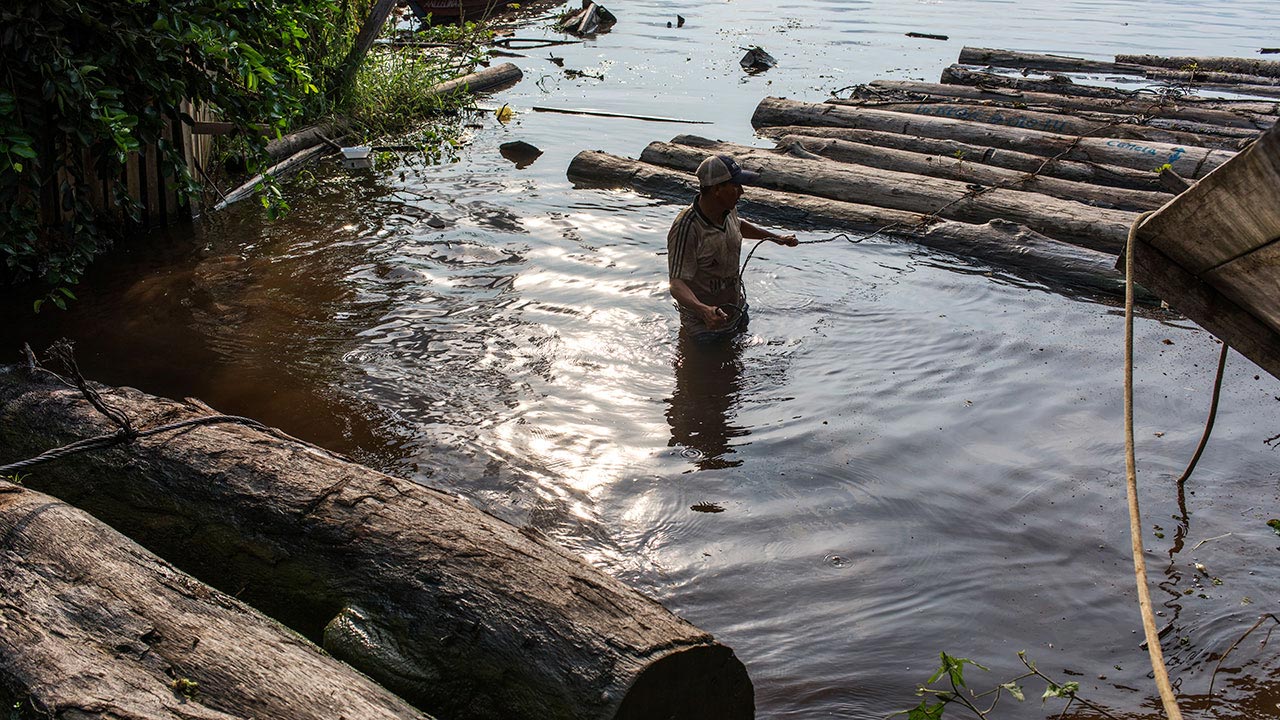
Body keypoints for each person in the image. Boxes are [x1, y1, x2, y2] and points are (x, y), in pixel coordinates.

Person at [666, 154, 797, 341]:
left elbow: (739, 225)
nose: (742, 191)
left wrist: (777, 238)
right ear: (717, 189)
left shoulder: (728, 210)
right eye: (735, 186)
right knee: (701, 368)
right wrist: (704, 311)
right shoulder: (687, 227)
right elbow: (676, 285)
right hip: (704, 326)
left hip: (736, 309)